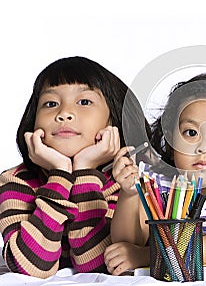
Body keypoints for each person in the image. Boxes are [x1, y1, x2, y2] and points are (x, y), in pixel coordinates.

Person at [0, 56, 150, 278]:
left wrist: (84, 171)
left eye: (84, 102)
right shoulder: (16, 180)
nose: (64, 113)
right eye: (51, 104)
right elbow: (30, 268)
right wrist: (61, 174)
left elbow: (100, 267)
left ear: (112, 123)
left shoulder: (126, 180)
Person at [105, 71, 206, 275]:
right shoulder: (157, 181)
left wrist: (144, 256)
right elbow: (129, 243)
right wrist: (128, 195)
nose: (204, 146)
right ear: (170, 141)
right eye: (191, 133)